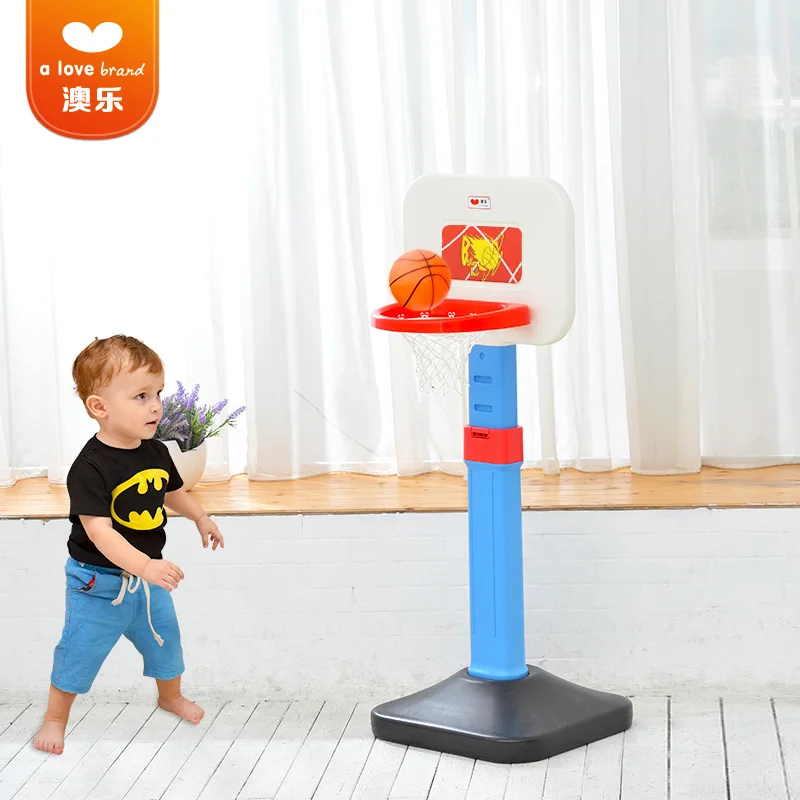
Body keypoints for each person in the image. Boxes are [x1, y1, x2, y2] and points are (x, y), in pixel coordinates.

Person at [34, 335, 225, 755]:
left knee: (166, 639)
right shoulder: (90, 467)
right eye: (141, 396)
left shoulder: (155, 451)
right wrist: (145, 565)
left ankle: (170, 696)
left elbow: (171, 491)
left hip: (146, 580)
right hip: (98, 584)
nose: (156, 406)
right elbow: (100, 532)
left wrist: (200, 517)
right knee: (79, 651)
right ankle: (55, 718)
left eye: (157, 393)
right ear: (99, 407)